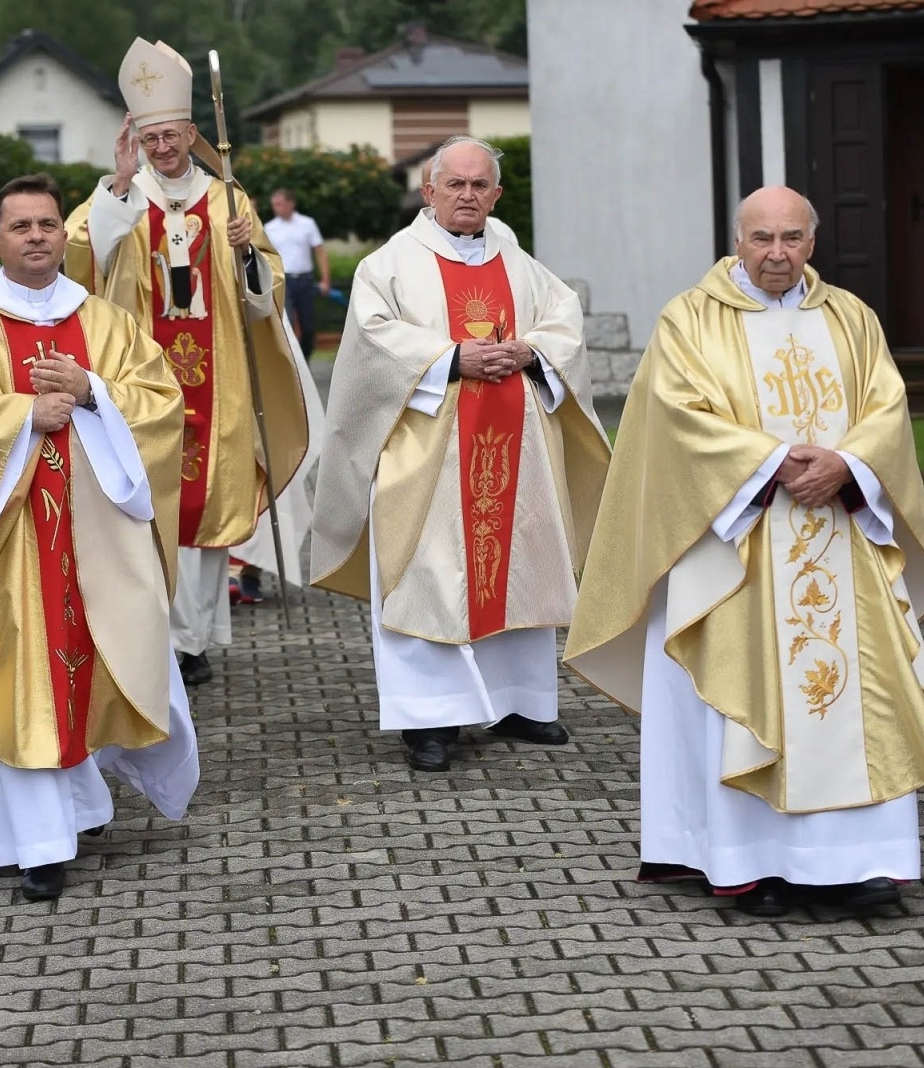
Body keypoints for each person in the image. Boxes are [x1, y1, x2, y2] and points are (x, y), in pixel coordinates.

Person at [563, 186, 924, 918]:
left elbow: (886, 408)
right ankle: (749, 862)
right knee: (743, 693)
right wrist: (772, 463)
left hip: (839, 537)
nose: (777, 253)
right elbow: (674, 420)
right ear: (737, 241)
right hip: (735, 545)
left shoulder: (851, 318)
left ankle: (854, 861)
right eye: (762, 238)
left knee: (854, 697)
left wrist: (847, 465)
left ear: (813, 241)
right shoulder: (689, 320)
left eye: (792, 238)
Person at [0, 172, 197, 902]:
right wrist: (20, 417)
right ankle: (39, 846)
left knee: (86, 666)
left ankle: (77, 809)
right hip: (6, 542)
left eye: (47, 224)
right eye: (21, 226)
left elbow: (162, 403)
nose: (36, 237)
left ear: (64, 234)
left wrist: (93, 390)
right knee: (16, 675)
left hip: (97, 539)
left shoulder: (106, 323)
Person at [310, 136, 611, 774]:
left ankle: (519, 703)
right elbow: (371, 342)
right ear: (430, 191)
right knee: (428, 577)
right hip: (427, 455)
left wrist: (530, 351)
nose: (467, 196)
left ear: (496, 195)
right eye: (455, 184)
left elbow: (564, 321)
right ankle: (429, 719)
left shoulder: (516, 258)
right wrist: (450, 358)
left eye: (479, 186)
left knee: (520, 566)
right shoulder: (390, 264)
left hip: (517, 450)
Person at [65, 37, 310, 686]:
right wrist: (119, 184)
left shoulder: (228, 198)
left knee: (207, 508)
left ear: (191, 133)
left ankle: (192, 641)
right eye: (150, 139)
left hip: (218, 376)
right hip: (141, 380)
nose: (162, 148)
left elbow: (265, 292)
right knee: (147, 504)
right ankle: (150, 637)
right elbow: (79, 255)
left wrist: (247, 252)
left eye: (171, 136)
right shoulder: (121, 194)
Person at [264, 188, 331, 360]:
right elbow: (266, 257)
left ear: (290, 203)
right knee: (289, 324)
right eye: (274, 205)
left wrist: (325, 280)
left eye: (279, 204)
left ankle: (305, 360)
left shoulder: (307, 223)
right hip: (283, 281)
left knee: (308, 327)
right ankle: (293, 364)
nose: (276, 208)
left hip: (305, 280)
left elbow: (320, 251)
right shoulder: (270, 228)